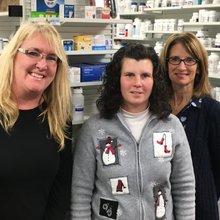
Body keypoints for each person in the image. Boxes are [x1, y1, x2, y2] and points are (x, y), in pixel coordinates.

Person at [71, 43, 195, 219]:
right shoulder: (93, 129)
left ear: (155, 80)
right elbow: (80, 194)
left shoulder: (171, 126)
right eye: (129, 75)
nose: (138, 83)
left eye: (145, 75)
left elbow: (184, 188)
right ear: (117, 79)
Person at [0, 21, 73, 220]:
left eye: (51, 57)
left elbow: (61, 189)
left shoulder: (58, 117)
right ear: (13, 55)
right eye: (33, 53)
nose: (42, 65)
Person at [160, 32, 220, 220]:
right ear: (166, 64)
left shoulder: (211, 111)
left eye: (189, 60)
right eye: (175, 59)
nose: (182, 66)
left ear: (199, 66)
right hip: (161, 209)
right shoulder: (156, 109)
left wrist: (205, 194)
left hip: (200, 210)